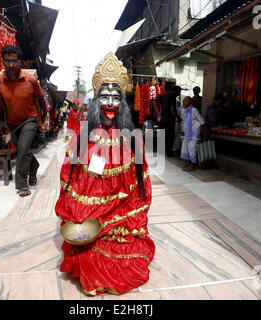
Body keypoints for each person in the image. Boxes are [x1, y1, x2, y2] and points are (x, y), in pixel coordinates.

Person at [55, 52, 155, 296]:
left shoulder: (132, 141)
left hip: (121, 222)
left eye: (115, 97)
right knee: (88, 261)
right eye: (104, 96)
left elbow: (139, 195)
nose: (110, 102)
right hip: (91, 221)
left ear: (123, 103)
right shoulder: (83, 140)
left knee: (128, 264)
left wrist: (122, 220)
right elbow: (73, 186)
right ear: (96, 100)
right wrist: (79, 217)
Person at [0, 45, 47, 197]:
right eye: (7, 61)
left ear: (20, 62)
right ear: (3, 62)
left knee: (23, 150)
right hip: (12, 122)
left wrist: (43, 115)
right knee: (22, 151)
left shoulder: (31, 80)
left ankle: (22, 184)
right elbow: (2, 102)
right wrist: (4, 120)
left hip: (29, 119)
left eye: (14, 61)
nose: (11, 65)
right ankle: (34, 166)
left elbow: (40, 99)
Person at [179, 96, 206, 171]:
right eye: (183, 101)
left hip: (195, 131)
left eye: (186, 101)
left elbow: (201, 121)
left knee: (192, 147)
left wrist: (205, 133)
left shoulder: (194, 110)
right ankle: (189, 163)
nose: (184, 102)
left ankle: (192, 165)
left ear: (190, 102)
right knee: (186, 147)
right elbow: (184, 122)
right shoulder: (183, 110)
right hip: (188, 132)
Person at [157, 83, 180, 157]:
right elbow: (172, 110)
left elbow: (154, 102)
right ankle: (169, 152)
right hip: (169, 120)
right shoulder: (172, 97)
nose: (178, 94)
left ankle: (161, 152)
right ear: (175, 91)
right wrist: (178, 117)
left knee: (162, 135)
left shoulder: (164, 96)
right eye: (178, 92)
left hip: (162, 119)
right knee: (170, 136)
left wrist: (158, 113)